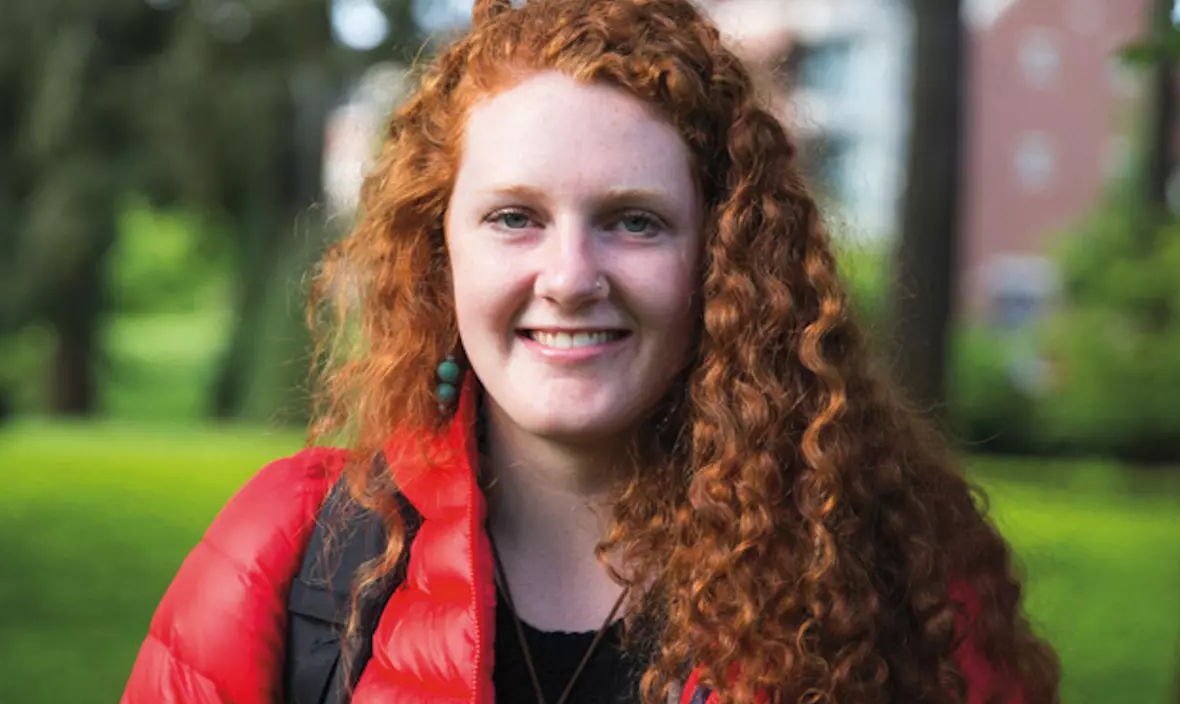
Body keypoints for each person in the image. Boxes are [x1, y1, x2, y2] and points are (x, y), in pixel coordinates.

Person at [120, 0, 1061, 702]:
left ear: (725, 259)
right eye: (513, 218)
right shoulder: (287, 554)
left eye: (635, 222)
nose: (570, 276)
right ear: (438, 253)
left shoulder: (888, 576)